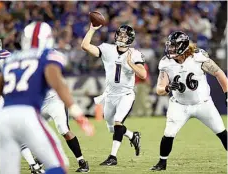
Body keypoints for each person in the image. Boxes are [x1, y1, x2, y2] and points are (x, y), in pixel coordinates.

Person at [0, 22, 94, 174]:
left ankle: (77, 160)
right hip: (28, 113)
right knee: (60, 166)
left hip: (5, 117)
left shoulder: (11, 58)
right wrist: (78, 114)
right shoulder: (48, 56)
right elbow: (58, 83)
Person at [150, 31, 227, 171]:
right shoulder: (166, 63)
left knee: (221, 131)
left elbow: (219, 73)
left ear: (182, 46)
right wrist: (167, 88)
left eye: (174, 46)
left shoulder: (198, 57)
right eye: (170, 46)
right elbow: (159, 89)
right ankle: (162, 163)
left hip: (203, 104)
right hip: (180, 105)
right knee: (169, 133)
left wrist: (227, 93)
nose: (171, 49)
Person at [81, 24, 147, 165]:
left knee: (118, 122)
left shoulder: (134, 54)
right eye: (120, 34)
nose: (121, 37)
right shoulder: (107, 48)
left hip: (126, 94)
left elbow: (143, 74)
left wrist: (130, 63)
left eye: (125, 36)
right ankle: (132, 135)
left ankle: (113, 157)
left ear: (130, 39)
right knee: (112, 127)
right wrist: (92, 29)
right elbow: (85, 46)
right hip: (110, 95)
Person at [42, 89, 90, 172]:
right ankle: (36, 161)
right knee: (33, 129)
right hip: (39, 102)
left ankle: (82, 162)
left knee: (64, 130)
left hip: (55, 101)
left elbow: (60, 84)